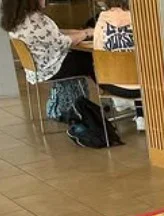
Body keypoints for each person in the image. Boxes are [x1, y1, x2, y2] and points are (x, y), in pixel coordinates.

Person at [2, 0, 94, 83]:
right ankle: (106, 94)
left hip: (37, 70)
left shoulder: (18, 20)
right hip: (50, 69)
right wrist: (85, 34)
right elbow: (62, 43)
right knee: (92, 60)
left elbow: (55, 33)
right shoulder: (35, 20)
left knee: (81, 57)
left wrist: (81, 32)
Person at [93, 0, 144, 131]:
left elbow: (98, 51)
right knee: (141, 66)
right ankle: (142, 114)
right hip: (144, 86)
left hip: (112, 85)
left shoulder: (102, 21)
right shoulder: (142, 18)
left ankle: (125, 105)